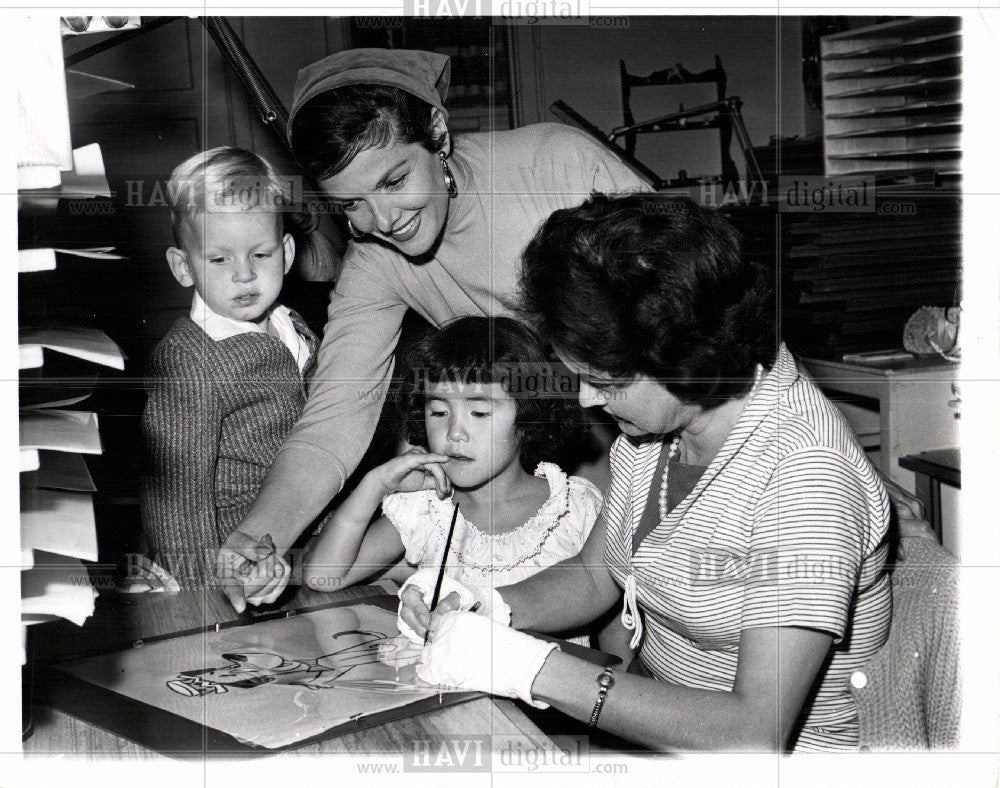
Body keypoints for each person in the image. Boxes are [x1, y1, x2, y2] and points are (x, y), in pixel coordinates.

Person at [399, 194, 893, 752]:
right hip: (655, 730)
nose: (585, 399)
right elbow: (595, 574)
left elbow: (754, 732)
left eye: (605, 382)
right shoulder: (658, 430)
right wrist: (485, 601)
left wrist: (529, 668)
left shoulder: (804, 475)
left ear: (685, 356)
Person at [217, 48, 650, 611]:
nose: (383, 220)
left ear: (439, 133)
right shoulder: (375, 262)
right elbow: (333, 421)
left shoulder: (556, 166)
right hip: (551, 454)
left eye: (394, 180)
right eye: (352, 204)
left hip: (676, 425)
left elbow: (690, 306)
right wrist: (260, 534)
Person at [302, 317, 602, 612]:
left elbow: (612, 608)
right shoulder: (428, 510)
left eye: (480, 413)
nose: (454, 432)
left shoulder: (574, 507)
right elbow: (323, 575)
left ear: (528, 416)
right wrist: (375, 485)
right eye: (438, 412)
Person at [139, 147, 319, 592]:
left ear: (287, 252)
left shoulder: (289, 322)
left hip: (311, 534)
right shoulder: (189, 360)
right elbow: (176, 495)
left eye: (260, 254)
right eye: (218, 260)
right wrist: (204, 589)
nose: (244, 276)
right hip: (236, 560)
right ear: (183, 266)